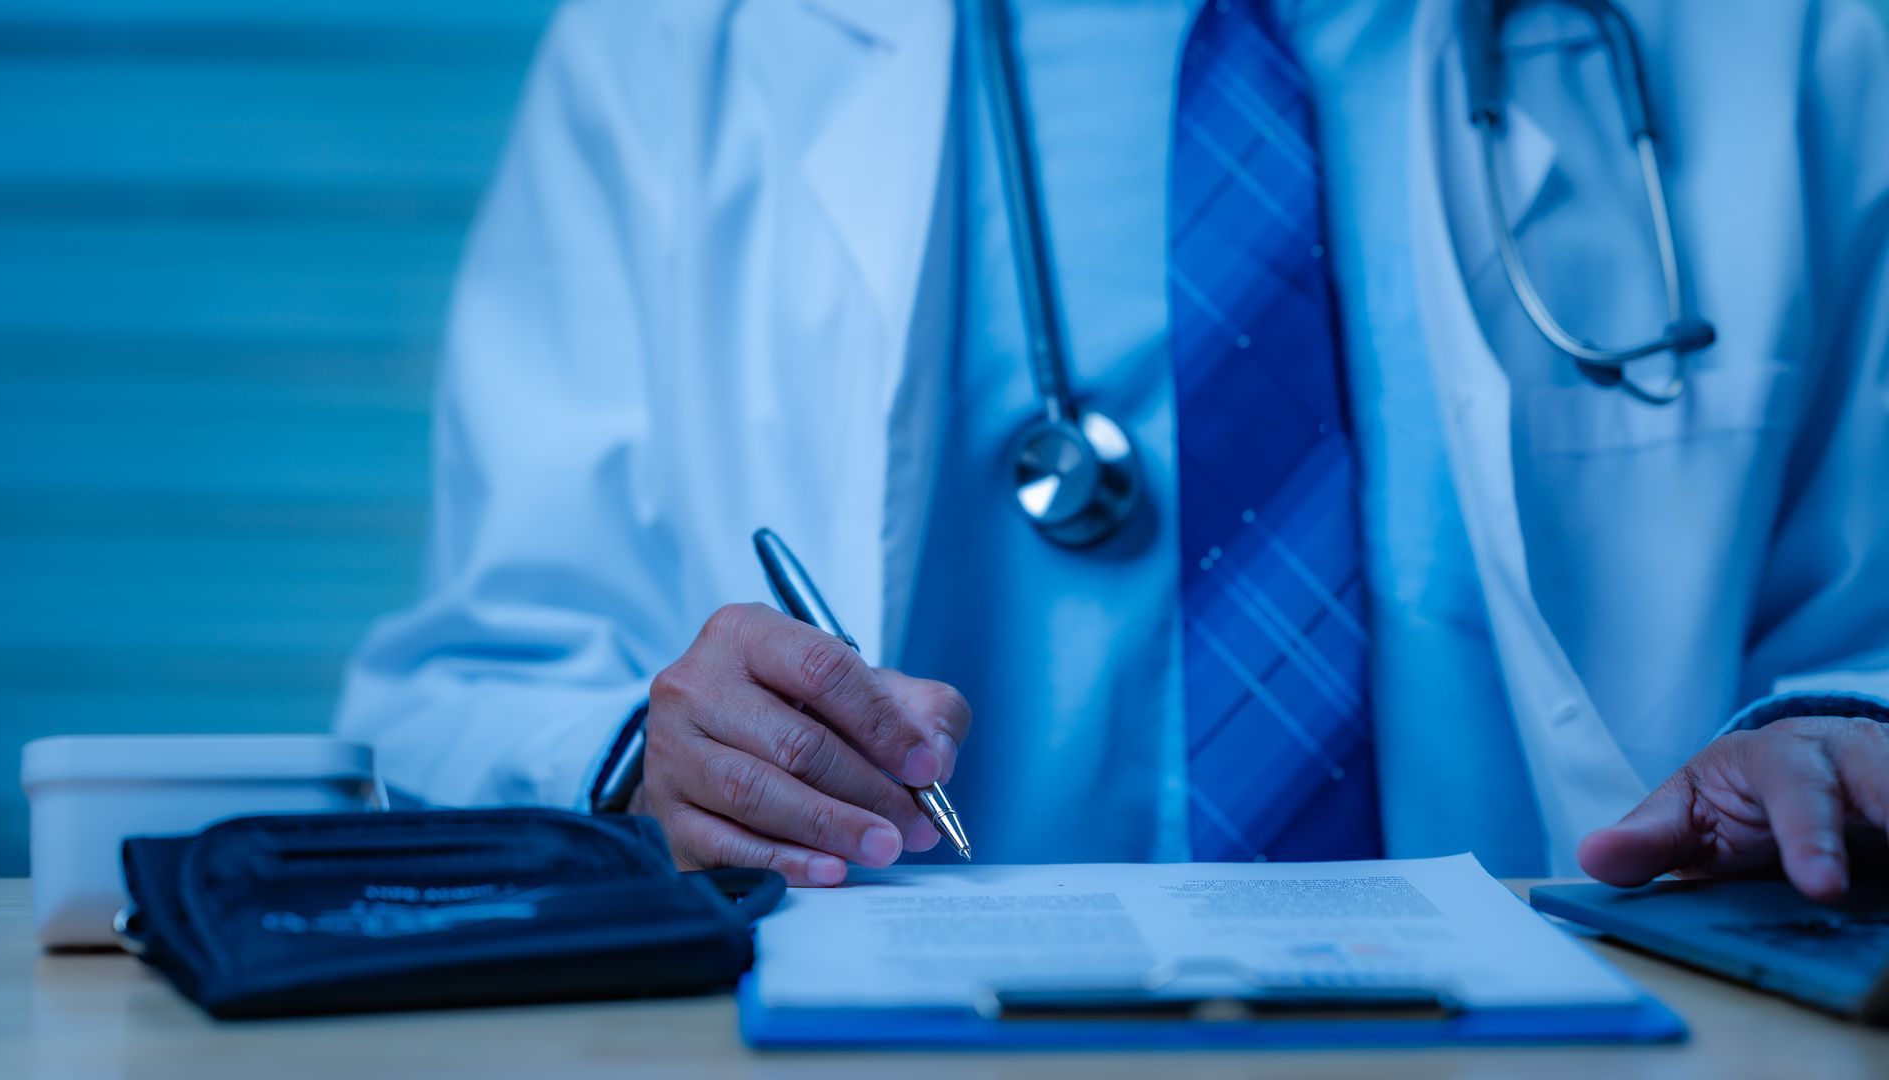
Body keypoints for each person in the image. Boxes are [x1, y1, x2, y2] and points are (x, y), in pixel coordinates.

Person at [337, 0, 1889, 899]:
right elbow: (478, 679)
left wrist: (1838, 730)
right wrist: (647, 759)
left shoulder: (1794, 35)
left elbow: (1869, 642)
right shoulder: (691, 44)